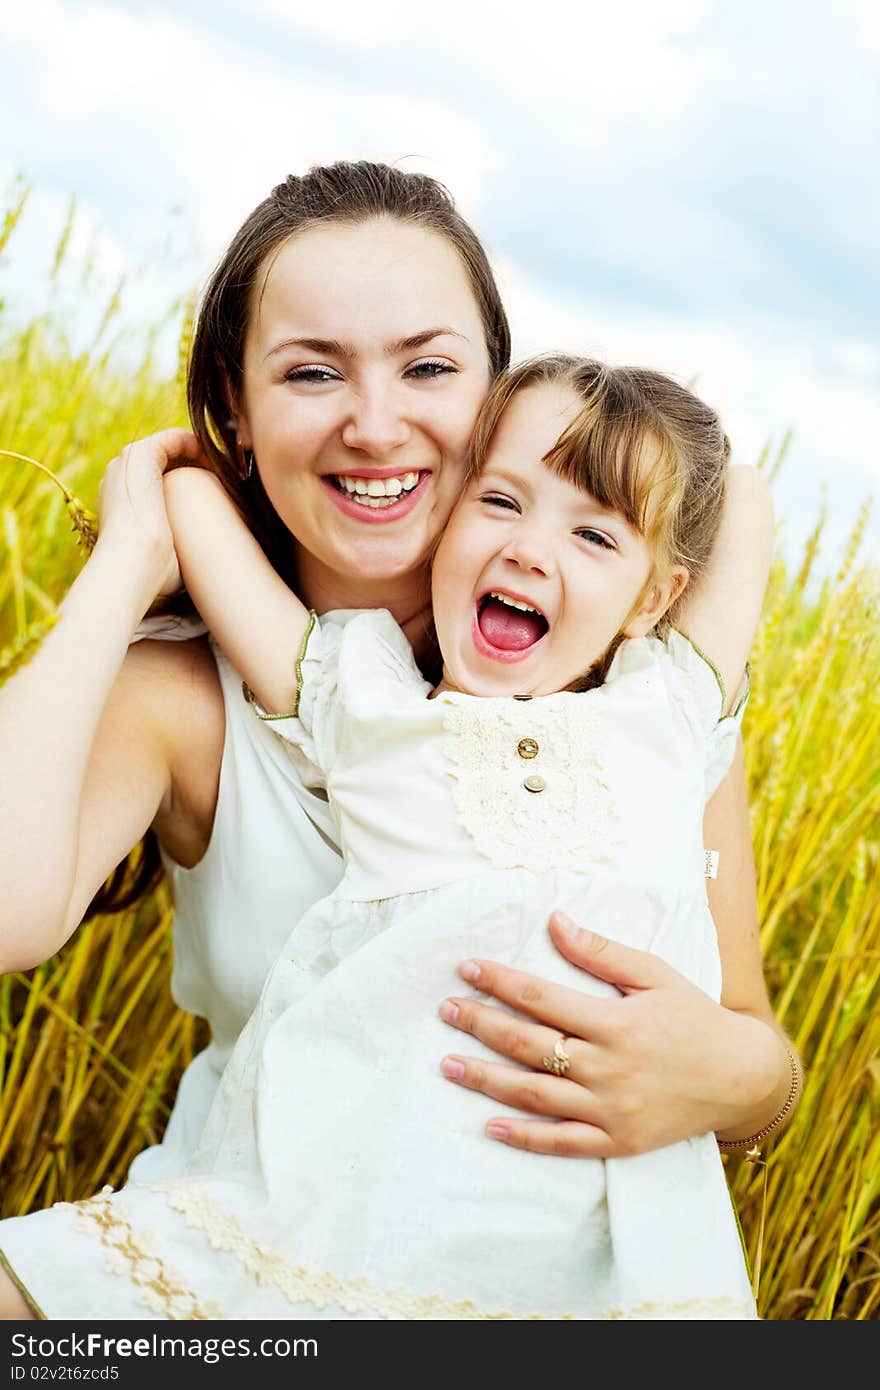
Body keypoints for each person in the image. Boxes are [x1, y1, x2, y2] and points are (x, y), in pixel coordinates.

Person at [0, 163, 798, 1320]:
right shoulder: (196, 692)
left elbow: (756, 1047)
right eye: (312, 371)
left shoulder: (635, 718)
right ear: (235, 403)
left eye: (428, 366)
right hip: (257, 1248)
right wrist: (131, 553)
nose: (375, 424)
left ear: (494, 393)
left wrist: (733, 1079)